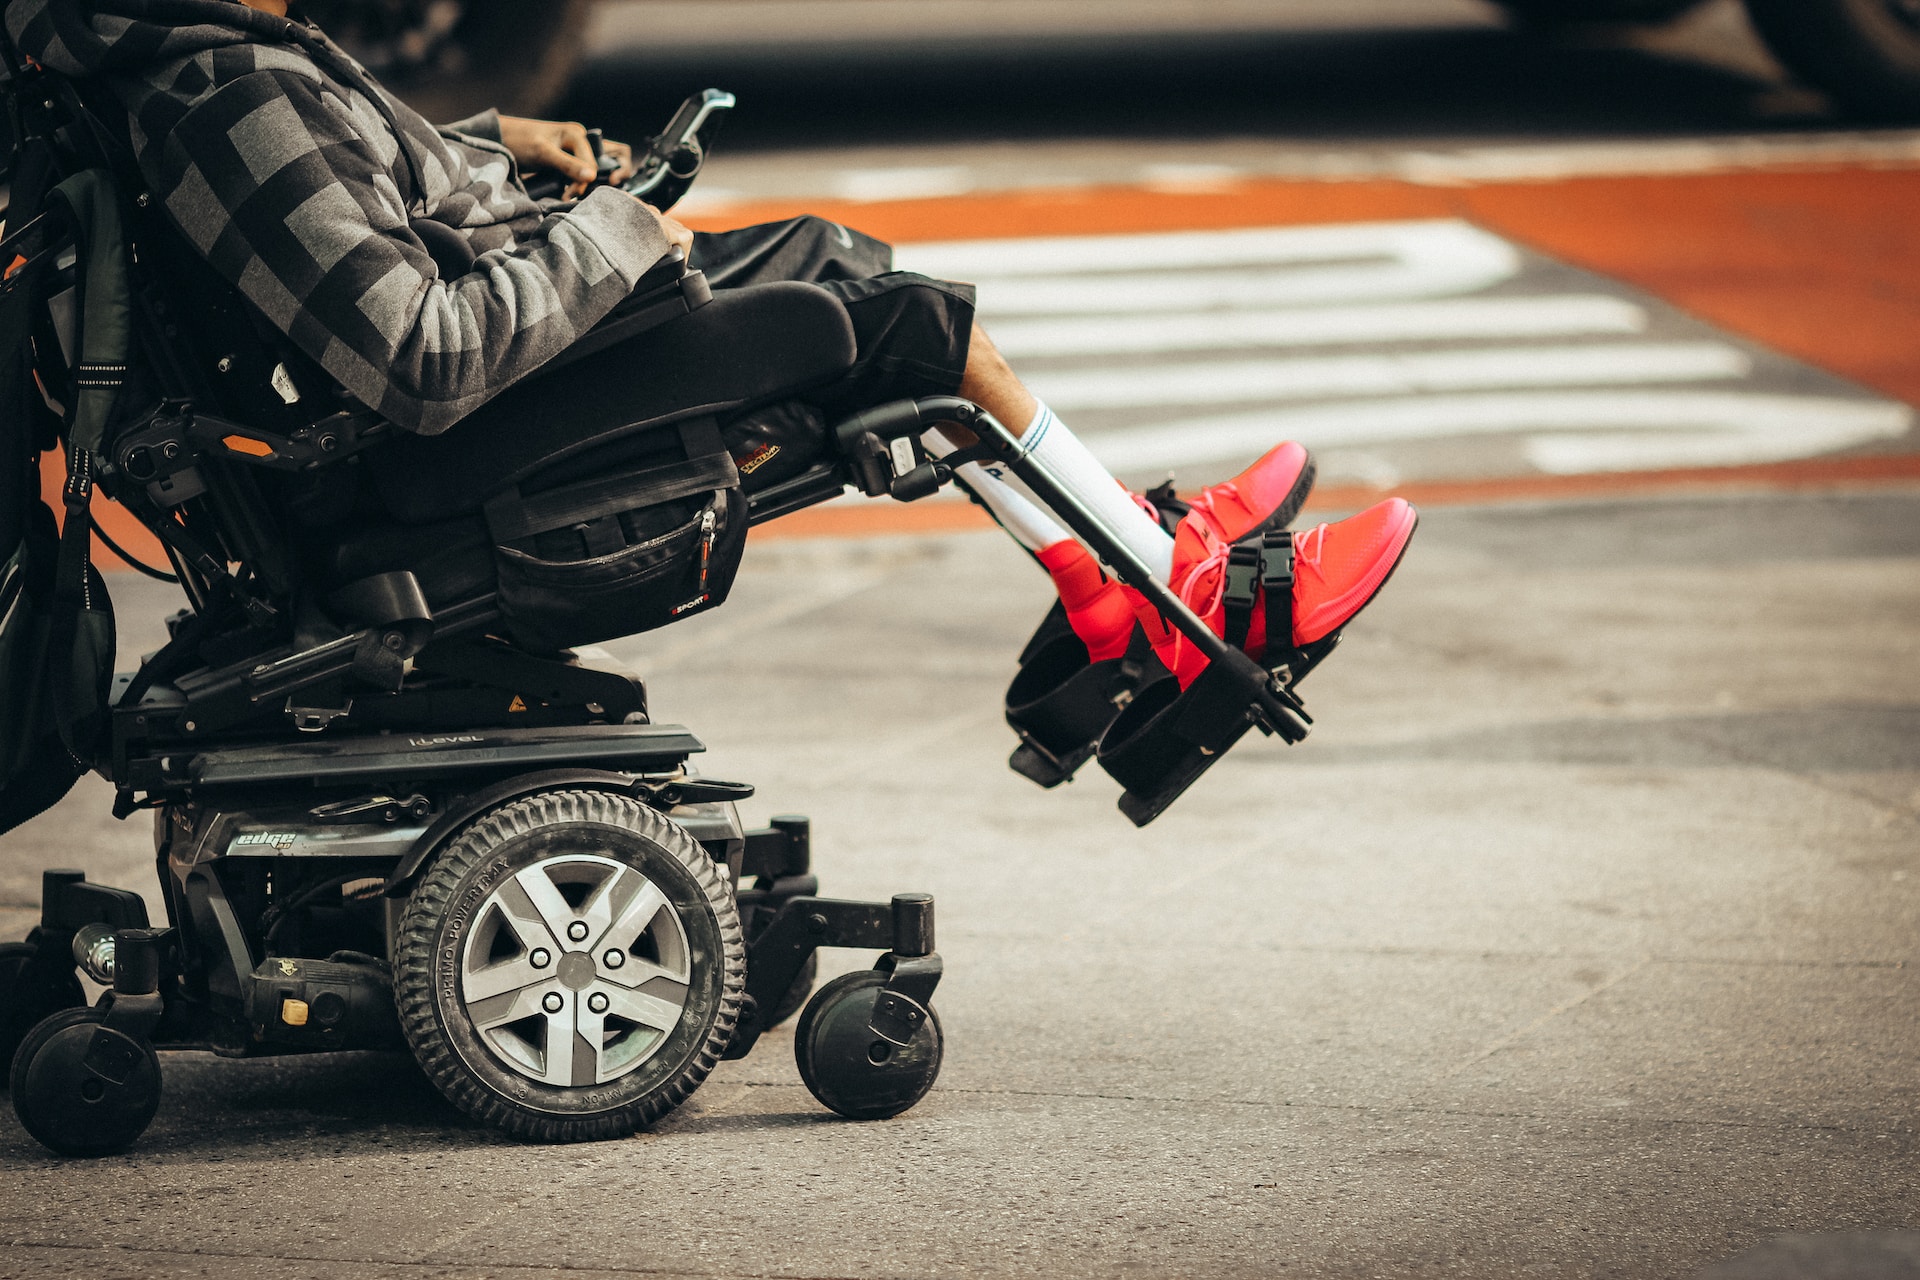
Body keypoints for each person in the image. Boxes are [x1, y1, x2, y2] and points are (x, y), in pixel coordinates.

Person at [6, 0, 1416, 688]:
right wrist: (614, 231)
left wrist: (486, 149)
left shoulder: (198, 53)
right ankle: (1183, 599)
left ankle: (1120, 565)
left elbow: (342, 205)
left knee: (834, 258)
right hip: (441, 457)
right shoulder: (221, 87)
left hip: (431, 413)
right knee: (888, 320)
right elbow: (420, 355)